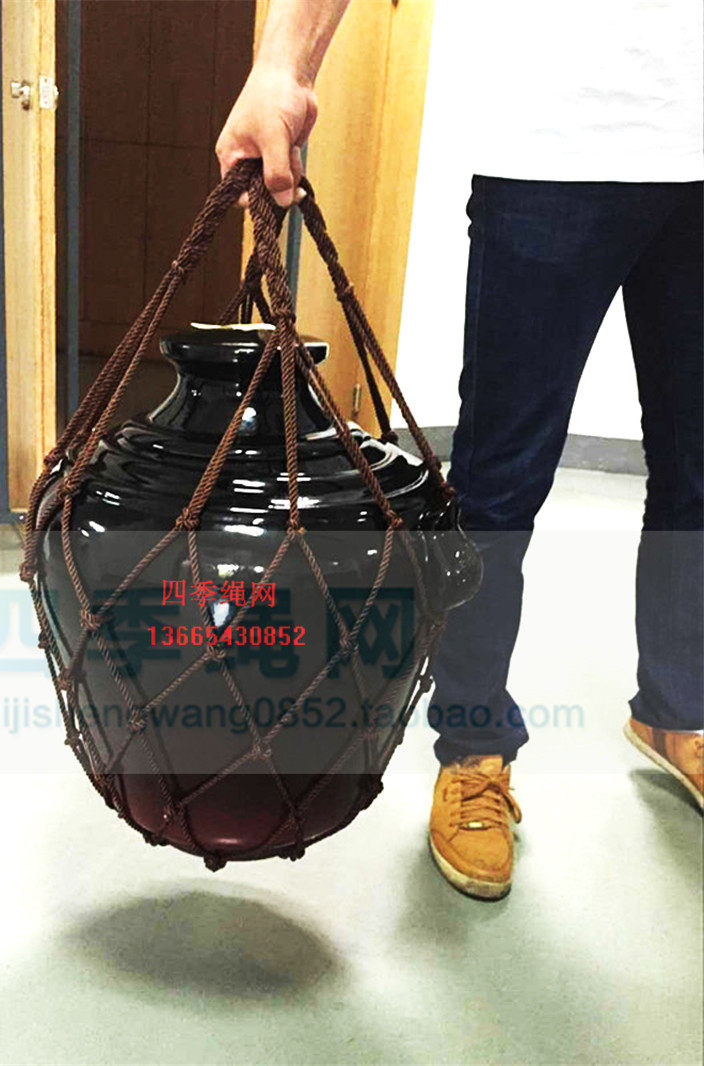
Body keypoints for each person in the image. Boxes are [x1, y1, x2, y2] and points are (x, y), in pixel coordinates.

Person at [216, 0, 704, 899]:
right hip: (555, 149)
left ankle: (682, 712)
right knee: (498, 488)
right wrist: (284, 63)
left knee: (699, 475)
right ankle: (475, 748)